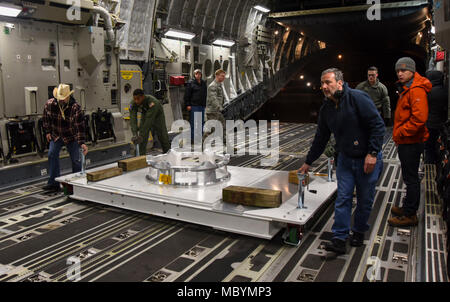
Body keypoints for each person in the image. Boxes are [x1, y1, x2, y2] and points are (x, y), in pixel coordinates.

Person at [298, 68, 385, 254]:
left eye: (328, 82)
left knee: (364, 200)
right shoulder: (326, 108)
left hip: (366, 158)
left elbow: (377, 125)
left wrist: (373, 153)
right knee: (343, 197)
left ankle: (359, 231)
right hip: (345, 158)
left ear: (339, 82)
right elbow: (321, 137)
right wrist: (308, 162)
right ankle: (339, 238)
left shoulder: (358, 98)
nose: (324, 87)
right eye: (322, 83)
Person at [388, 57, 432, 227]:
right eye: (398, 70)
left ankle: (410, 214)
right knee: (409, 177)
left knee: (411, 178)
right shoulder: (408, 88)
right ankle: (407, 207)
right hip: (408, 141)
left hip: (411, 141)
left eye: (404, 71)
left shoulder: (416, 90)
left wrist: (400, 133)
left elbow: (419, 120)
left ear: (412, 72)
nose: (400, 73)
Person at [42, 84, 88, 191]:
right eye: (59, 98)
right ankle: (53, 183)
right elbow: (45, 119)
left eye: (63, 98)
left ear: (68, 97)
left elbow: (79, 126)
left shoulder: (75, 108)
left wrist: (81, 143)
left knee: (76, 160)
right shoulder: (49, 104)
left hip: (71, 136)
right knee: (52, 154)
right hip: (56, 135)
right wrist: (47, 131)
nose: (61, 100)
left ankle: (76, 184)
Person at [129, 89, 170, 154]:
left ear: (143, 97)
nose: (136, 101)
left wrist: (141, 136)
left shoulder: (153, 102)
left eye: (138, 99)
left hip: (157, 116)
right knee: (142, 138)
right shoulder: (133, 103)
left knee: (162, 135)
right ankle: (140, 156)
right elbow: (132, 118)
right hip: (145, 114)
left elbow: (148, 122)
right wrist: (135, 134)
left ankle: (168, 152)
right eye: (134, 99)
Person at [424, 70, 448, 165]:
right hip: (442, 124)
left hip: (430, 124)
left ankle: (429, 164)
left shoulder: (429, 92)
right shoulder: (445, 91)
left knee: (429, 147)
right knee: (438, 146)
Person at [184, 69, 207, 142]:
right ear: (194, 75)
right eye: (197, 74)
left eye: (199, 74)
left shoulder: (203, 83)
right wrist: (188, 104)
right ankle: (192, 138)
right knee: (193, 123)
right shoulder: (191, 83)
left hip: (201, 106)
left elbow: (205, 94)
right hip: (194, 106)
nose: (198, 75)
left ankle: (200, 137)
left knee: (201, 122)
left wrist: (204, 104)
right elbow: (187, 95)